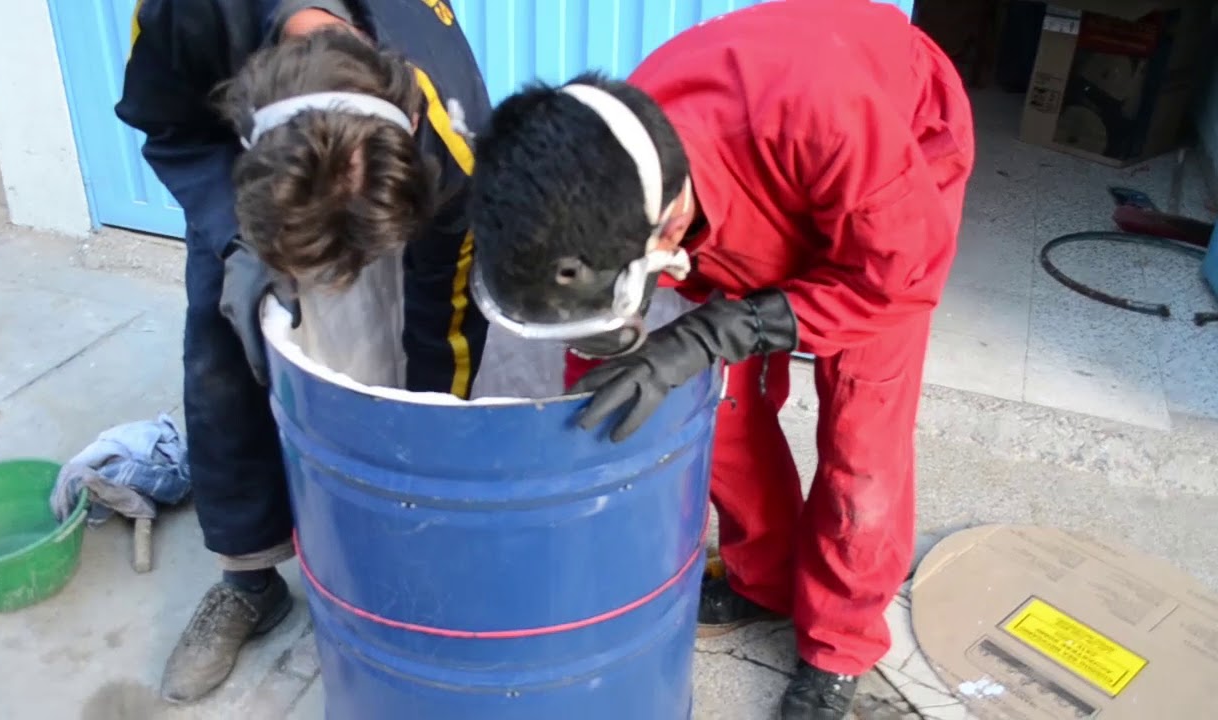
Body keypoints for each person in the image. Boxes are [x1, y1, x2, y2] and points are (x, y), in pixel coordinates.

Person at [466, 1, 975, 717]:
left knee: (864, 437)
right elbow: (604, 367)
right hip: (751, 174)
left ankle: (841, 642)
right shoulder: (612, 161)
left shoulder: (829, 121)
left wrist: (715, 332)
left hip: (895, 158)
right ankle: (762, 577)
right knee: (713, 403)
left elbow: (902, 280)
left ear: (669, 231)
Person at [115, 0, 490, 703]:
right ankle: (249, 581)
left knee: (421, 319)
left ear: (409, 120)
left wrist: (434, 429)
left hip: (400, 149)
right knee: (223, 338)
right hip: (240, 155)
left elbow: (453, 289)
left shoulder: (450, 113)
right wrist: (234, 239)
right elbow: (167, 125)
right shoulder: (182, 16)